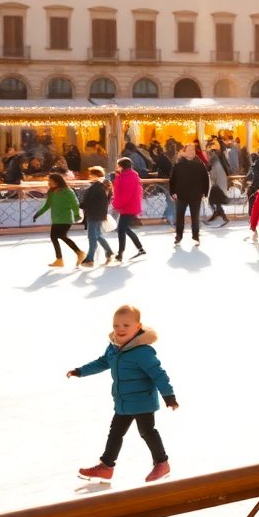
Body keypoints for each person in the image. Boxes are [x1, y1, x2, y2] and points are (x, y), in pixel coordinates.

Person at [70, 304, 177, 484]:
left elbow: (158, 374)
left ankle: (162, 463)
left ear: (138, 326)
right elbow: (102, 362)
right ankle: (106, 467)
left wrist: (169, 396)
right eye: (116, 325)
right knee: (115, 433)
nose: (120, 329)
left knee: (147, 431)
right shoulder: (113, 348)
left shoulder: (143, 351)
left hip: (142, 401)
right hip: (123, 401)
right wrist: (80, 371)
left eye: (126, 325)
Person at [35, 172, 83, 267]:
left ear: (57, 182)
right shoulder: (52, 192)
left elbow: (74, 203)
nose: (49, 183)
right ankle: (62, 259)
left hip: (65, 219)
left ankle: (76, 254)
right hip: (56, 219)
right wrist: (38, 214)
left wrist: (77, 214)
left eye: (51, 181)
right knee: (56, 237)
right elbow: (47, 205)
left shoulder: (67, 191)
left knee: (59, 236)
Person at [168, 144, 209, 247]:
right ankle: (178, 236)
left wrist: (205, 192)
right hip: (181, 195)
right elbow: (172, 179)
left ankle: (196, 236)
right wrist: (173, 192)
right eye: (189, 150)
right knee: (179, 217)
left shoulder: (200, 164)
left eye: (193, 150)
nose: (191, 152)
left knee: (195, 217)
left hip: (195, 195)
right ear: (184, 152)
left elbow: (205, 179)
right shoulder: (178, 164)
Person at [111, 157, 146, 262]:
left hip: (128, 206)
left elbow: (125, 194)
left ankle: (120, 253)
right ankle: (139, 248)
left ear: (121, 166)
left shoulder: (127, 177)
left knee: (121, 229)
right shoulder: (129, 176)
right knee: (124, 228)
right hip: (130, 206)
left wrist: (115, 204)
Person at [79, 166, 115, 267]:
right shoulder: (104, 185)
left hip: (94, 213)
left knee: (92, 236)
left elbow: (90, 201)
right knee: (97, 234)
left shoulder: (96, 187)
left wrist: (81, 205)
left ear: (96, 175)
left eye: (91, 174)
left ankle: (90, 258)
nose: (89, 176)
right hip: (99, 213)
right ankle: (109, 252)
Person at [204, 143, 231, 227]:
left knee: (212, 201)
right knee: (215, 202)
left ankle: (221, 216)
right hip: (218, 186)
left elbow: (214, 176)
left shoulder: (215, 163)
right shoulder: (217, 162)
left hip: (217, 186)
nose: (208, 156)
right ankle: (221, 216)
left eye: (209, 154)